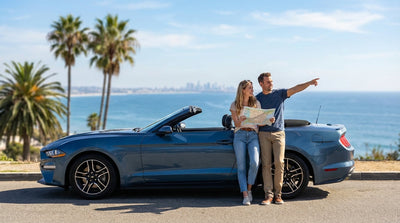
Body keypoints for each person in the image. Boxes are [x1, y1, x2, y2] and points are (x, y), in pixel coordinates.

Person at [256, 72, 319, 205]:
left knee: (279, 163)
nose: (271, 83)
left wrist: (308, 83)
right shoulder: (257, 99)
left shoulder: (279, 94)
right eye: (268, 82)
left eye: (271, 81)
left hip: (279, 133)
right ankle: (268, 195)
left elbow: (295, 88)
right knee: (266, 165)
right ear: (261, 84)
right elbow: (254, 118)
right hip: (263, 134)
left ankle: (278, 195)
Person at [230, 80, 274, 206]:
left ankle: (249, 190)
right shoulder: (234, 105)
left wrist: (268, 120)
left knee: (254, 163)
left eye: (252, 87)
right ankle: (245, 195)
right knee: (242, 166)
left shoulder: (256, 103)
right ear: (243, 90)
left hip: (253, 135)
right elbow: (236, 124)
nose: (252, 89)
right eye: (250, 88)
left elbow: (259, 122)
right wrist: (240, 119)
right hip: (240, 135)